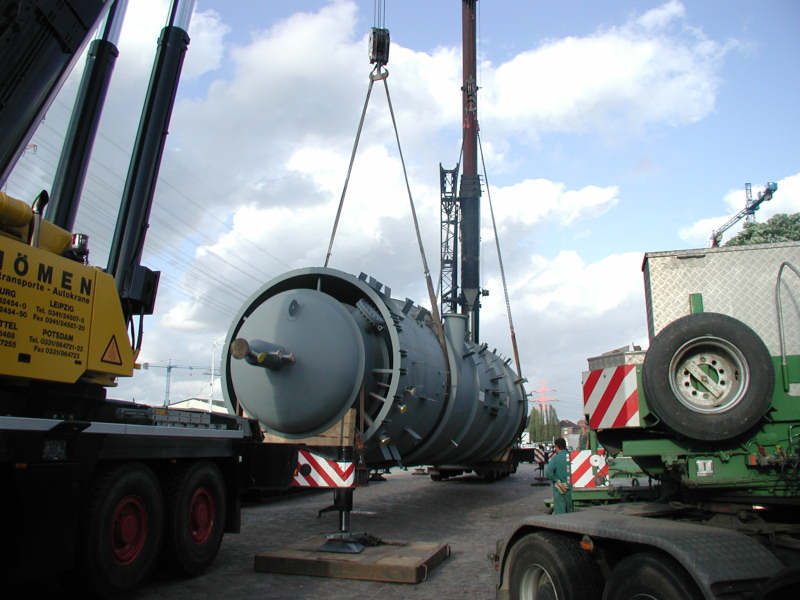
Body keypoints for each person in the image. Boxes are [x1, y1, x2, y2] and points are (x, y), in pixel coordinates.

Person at [544, 437, 573, 514]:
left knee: (560, 512)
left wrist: (556, 480)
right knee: (570, 512)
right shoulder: (571, 456)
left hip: (560, 489)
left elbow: (548, 472)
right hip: (570, 489)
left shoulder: (556, 458)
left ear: (556, 446)